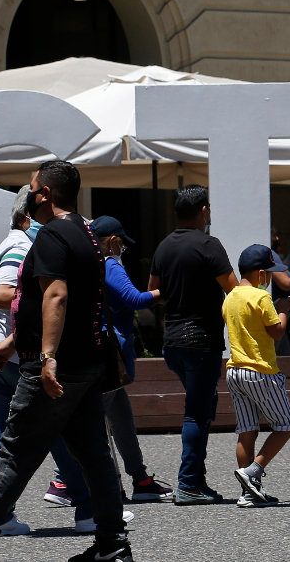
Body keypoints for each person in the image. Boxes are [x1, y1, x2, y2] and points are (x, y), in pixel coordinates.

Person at [0, 160, 135, 562]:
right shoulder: (87, 234)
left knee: (16, 450)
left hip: (56, 367)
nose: (30, 192)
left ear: (47, 195)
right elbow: (64, 304)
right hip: (88, 362)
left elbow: (56, 297)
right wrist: (13, 340)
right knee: (94, 454)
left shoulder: (54, 234)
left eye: (34, 186)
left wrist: (47, 357)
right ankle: (112, 544)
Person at [149, 184, 238, 505]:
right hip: (202, 341)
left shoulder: (163, 248)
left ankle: (196, 481)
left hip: (172, 341)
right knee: (197, 414)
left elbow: (153, 292)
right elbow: (235, 292)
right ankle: (188, 484)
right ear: (203, 211)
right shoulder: (209, 245)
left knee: (203, 407)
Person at [90, 215, 173, 502]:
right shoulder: (110, 265)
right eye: (121, 242)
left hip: (103, 351)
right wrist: (169, 291)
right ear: (112, 241)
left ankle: (140, 479)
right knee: (93, 424)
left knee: (121, 419)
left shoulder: (89, 264)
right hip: (112, 355)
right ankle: (71, 483)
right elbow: (135, 299)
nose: (122, 247)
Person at [224, 244, 290, 508]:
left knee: (247, 431)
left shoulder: (230, 296)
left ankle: (248, 493)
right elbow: (276, 332)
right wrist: (283, 310)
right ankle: (253, 471)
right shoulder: (261, 297)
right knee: (286, 425)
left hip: (235, 371)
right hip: (261, 371)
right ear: (259, 273)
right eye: (267, 272)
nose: (269, 278)